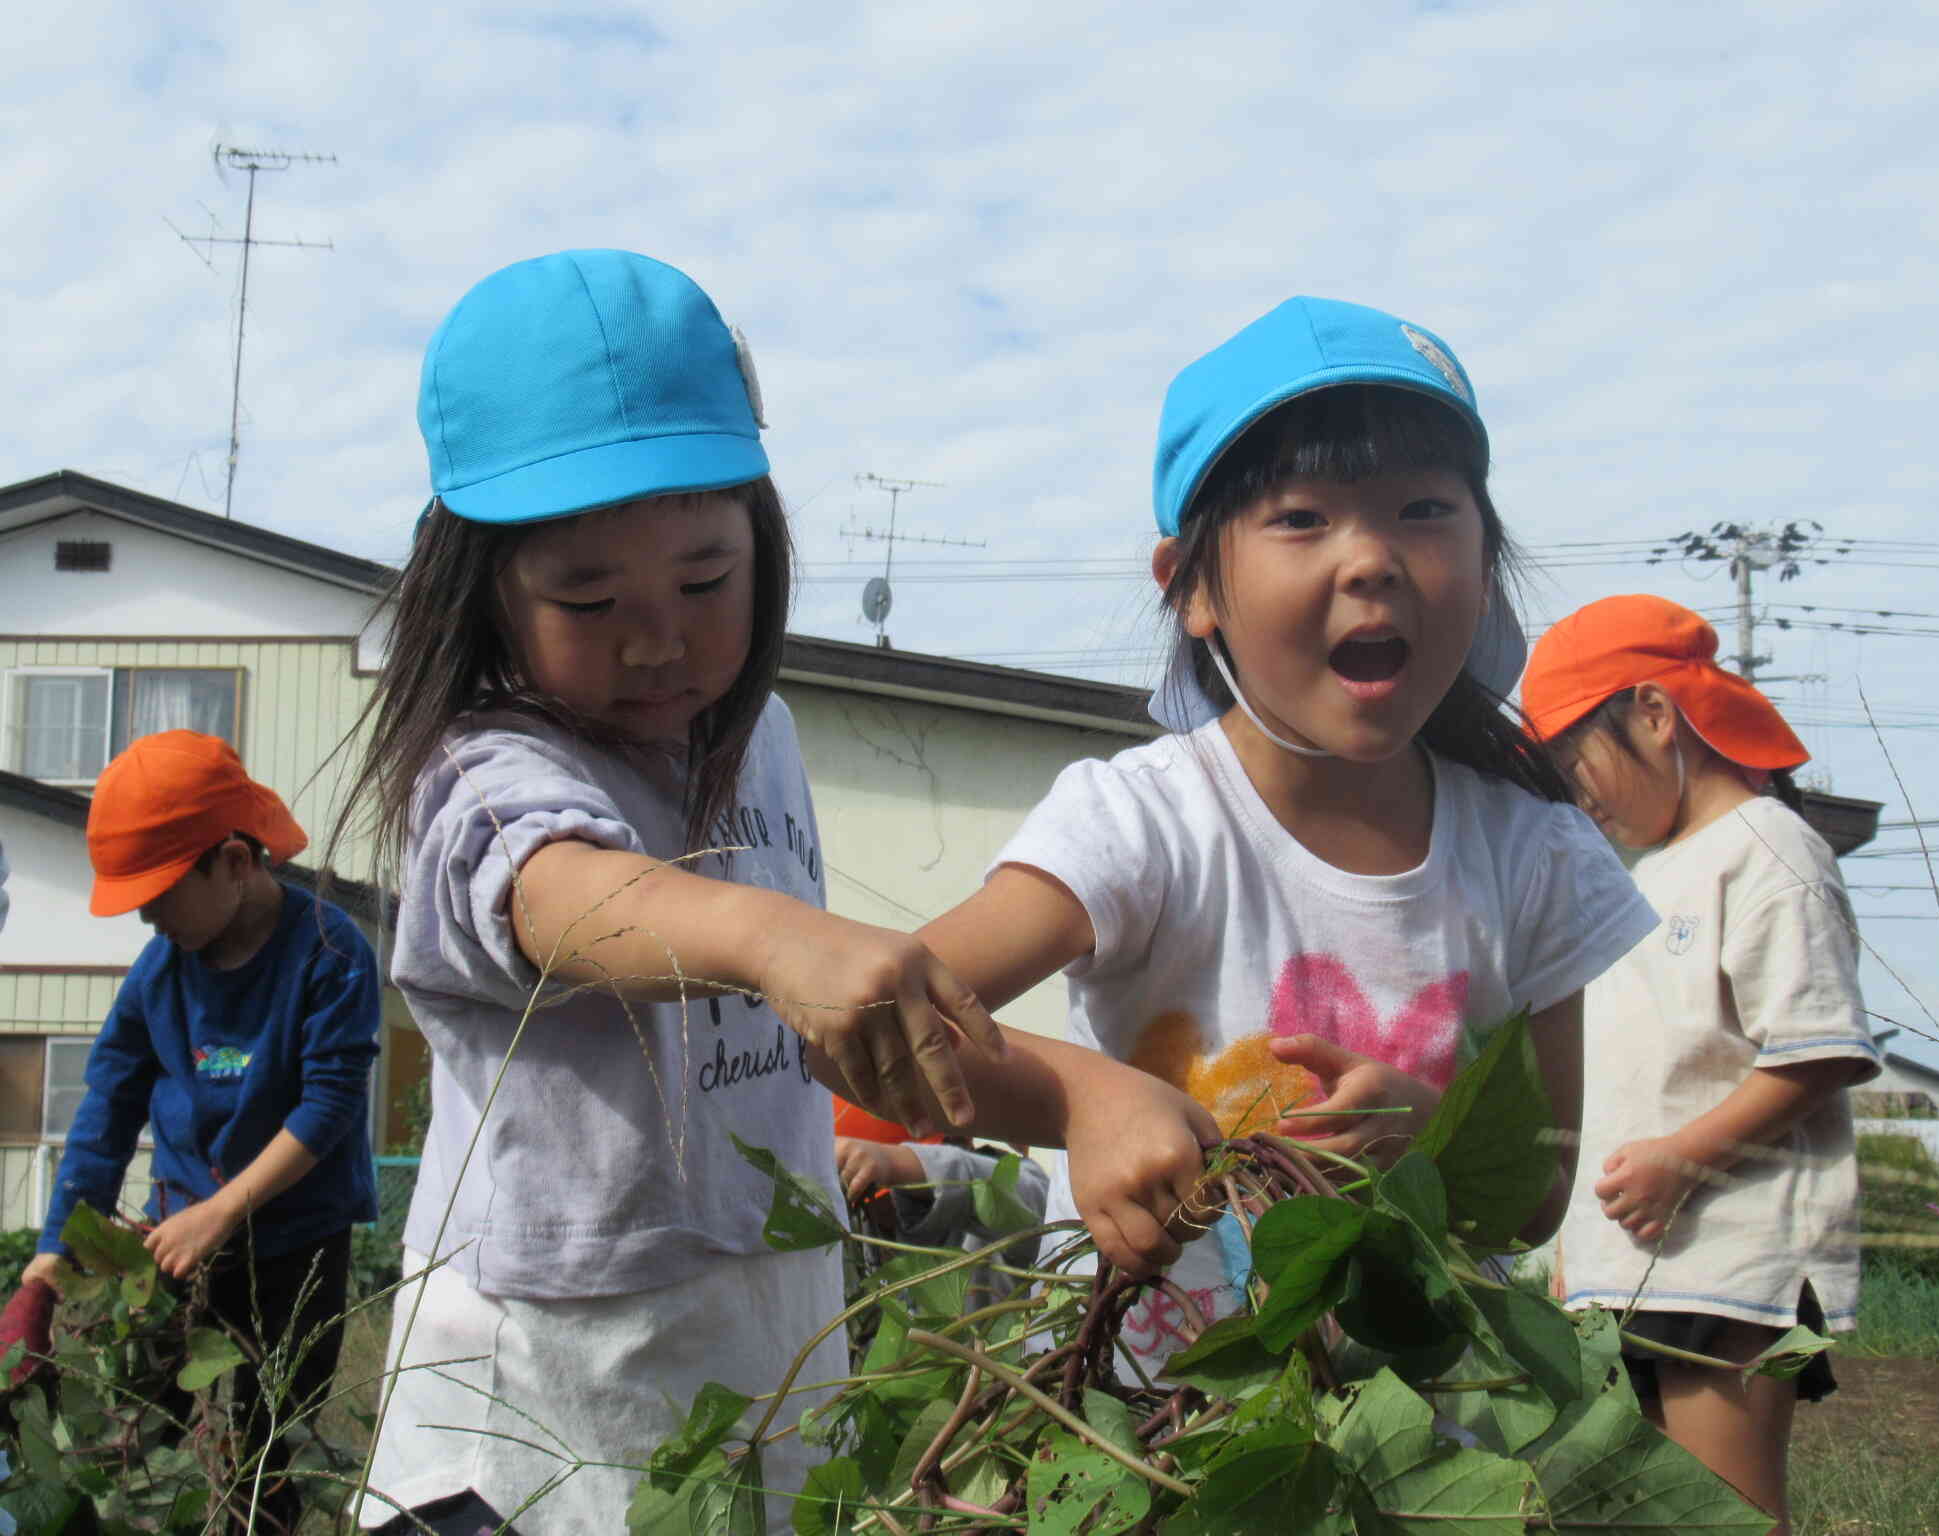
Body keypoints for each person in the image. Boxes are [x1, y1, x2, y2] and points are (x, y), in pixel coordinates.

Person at [338, 250, 1216, 1535]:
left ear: (765, 540)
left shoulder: (765, 746)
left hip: (773, 1328)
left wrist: (1083, 1092)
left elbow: (839, 1042)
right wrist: (768, 935)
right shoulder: (482, 775)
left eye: (704, 580)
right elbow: (560, 894)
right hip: (552, 1370)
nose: (658, 636)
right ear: (481, 589)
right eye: (588, 596)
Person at [917, 297, 1659, 1374]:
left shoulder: (1533, 854)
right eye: (1302, 518)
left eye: (1420, 509)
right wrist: (1086, 1096)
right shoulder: (1142, 822)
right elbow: (896, 1018)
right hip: (1144, 1426)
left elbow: (1534, 1203)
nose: (1370, 560)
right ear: (1190, 591)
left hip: (1431, 1451)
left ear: (1485, 562)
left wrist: (1432, 1137)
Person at [1521, 594, 1878, 1536]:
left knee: (1724, 1515)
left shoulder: (1769, 850)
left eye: (1575, 759)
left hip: (1733, 1259)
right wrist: (1575, 1249)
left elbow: (1821, 1051)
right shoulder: (1648, 877)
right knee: (1634, 1516)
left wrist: (1683, 1160)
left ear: (1652, 713)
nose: (1577, 792)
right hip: (1633, 1265)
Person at [18, 730, 381, 1530]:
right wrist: (54, 1249)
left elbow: (328, 1107)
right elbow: (107, 1109)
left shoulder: (328, 953)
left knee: (259, 1456)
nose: (146, 915)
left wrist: (223, 1213)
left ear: (235, 863)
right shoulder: (160, 974)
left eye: (158, 891)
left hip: (295, 1247)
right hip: (175, 1244)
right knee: (145, 1448)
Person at [833, 1096, 1050, 1301]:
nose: (905, 1209)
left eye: (910, 1193)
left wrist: (895, 1164)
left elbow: (1033, 1205)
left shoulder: (1014, 1186)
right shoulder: (858, 1246)